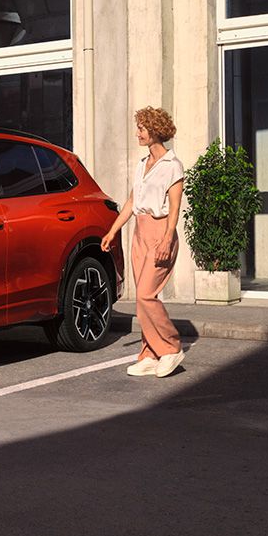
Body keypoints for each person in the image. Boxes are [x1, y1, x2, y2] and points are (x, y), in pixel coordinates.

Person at [101, 107, 185, 377]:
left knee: (148, 294)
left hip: (161, 232)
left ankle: (171, 347)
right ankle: (149, 354)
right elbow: (131, 202)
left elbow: (174, 208)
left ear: (155, 131)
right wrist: (113, 230)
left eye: (142, 128)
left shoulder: (172, 166)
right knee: (142, 298)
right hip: (139, 233)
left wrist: (167, 238)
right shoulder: (141, 165)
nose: (137, 133)